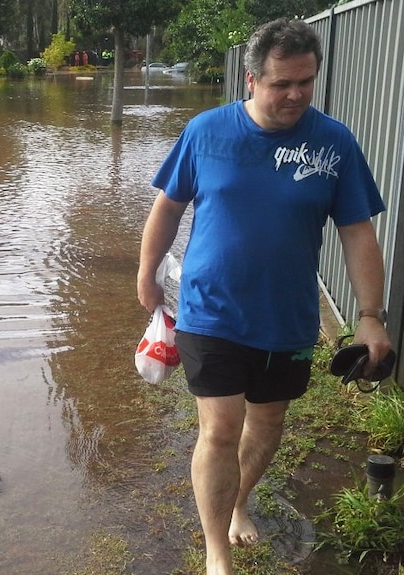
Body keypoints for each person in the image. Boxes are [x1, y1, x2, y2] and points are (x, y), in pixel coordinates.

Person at [136, 18, 392, 575]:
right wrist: (147, 271)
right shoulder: (206, 132)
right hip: (211, 310)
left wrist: (369, 316)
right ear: (251, 80)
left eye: (306, 81)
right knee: (220, 428)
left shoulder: (335, 142)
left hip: (287, 317)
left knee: (267, 424)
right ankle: (216, 553)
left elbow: (358, 232)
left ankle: (240, 502)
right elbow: (168, 206)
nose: (296, 94)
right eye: (282, 83)